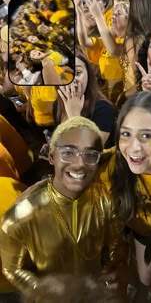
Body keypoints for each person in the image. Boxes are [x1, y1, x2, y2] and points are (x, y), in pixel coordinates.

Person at [0, 116, 128, 303]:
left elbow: (116, 248)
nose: (79, 163)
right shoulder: (22, 212)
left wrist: (116, 271)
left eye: (90, 155)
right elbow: (13, 269)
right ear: (51, 157)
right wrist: (47, 291)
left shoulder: (104, 202)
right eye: (68, 153)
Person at [98, 91, 151, 300]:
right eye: (126, 134)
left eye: (147, 136)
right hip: (137, 233)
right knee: (143, 279)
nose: (133, 147)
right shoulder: (110, 164)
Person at [54, 53, 116, 148]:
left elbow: (89, 150)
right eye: (65, 75)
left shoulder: (104, 109)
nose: (73, 80)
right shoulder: (57, 105)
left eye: (78, 73)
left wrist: (74, 115)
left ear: (88, 75)